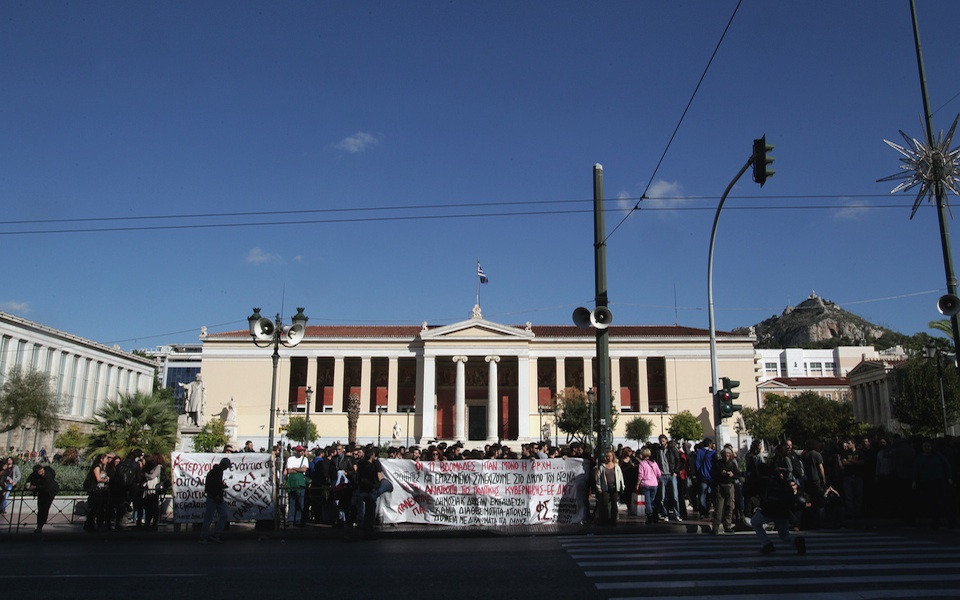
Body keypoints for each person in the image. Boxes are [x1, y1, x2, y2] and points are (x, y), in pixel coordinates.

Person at [751, 476, 810, 554]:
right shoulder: (785, 484)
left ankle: (767, 544)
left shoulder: (766, 482)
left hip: (769, 511)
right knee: (784, 535)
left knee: (755, 522)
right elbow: (792, 500)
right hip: (783, 512)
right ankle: (796, 541)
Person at [354, 446, 393, 539]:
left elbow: (359, 477)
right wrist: (376, 485)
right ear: (373, 455)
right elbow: (379, 477)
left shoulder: (361, 463)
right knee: (371, 513)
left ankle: (364, 531)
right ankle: (369, 531)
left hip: (363, 490)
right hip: (372, 491)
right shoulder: (375, 464)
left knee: (364, 513)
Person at [200, 457, 232, 543]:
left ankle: (206, 536)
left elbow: (212, 485)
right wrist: (216, 494)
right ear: (224, 465)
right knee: (218, 516)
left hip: (214, 496)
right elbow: (213, 485)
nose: (226, 468)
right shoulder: (217, 472)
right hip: (215, 497)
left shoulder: (215, 471)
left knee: (210, 517)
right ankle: (210, 535)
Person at [652, 435, 683, 522]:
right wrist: (658, 472)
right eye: (660, 441)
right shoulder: (657, 451)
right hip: (662, 475)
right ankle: (665, 514)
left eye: (663, 441)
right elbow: (655, 462)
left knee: (675, 496)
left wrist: (676, 471)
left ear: (666, 441)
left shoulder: (672, 450)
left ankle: (677, 514)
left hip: (671, 474)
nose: (662, 442)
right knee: (662, 496)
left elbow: (678, 460)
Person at [711, 446, 740, 534]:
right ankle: (715, 527)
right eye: (725, 454)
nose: (726, 456)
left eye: (728, 454)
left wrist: (732, 474)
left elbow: (737, 474)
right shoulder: (717, 463)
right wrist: (721, 473)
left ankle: (727, 526)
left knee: (730, 507)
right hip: (720, 486)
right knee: (718, 507)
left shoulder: (732, 464)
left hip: (730, 485)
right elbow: (712, 473)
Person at [593, 450, 624, 526]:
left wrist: (622, 486)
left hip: (614, 487)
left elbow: (620, 477)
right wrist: (599, 488)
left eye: (610, 456)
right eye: (607, 456)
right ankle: (605, 520)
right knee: (605, 505)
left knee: (614, 505)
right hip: (605, 488)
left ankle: (613, 521)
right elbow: (599, 478)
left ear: (613, 457)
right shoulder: (602, 467)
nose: (608, 458)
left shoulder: (616, 466)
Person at [26, 463, 58, 533]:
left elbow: (46, 485)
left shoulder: (48, 474)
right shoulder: (35, 475)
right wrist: (28, 484)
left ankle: (41, 524)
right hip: (42, 493)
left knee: (45, 509)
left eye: (42, 471)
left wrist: (35, 487)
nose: (41, 473)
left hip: (49, 493)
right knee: (41, 510)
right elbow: (30, 478)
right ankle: (39, 526)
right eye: (39, 472)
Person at [83, 453, 110, 532]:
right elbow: (98, 478)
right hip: (95, 490)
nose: (107, 460)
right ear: (101, 460)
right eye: (105, 459)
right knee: (94, 508)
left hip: (100, 489)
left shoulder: (103, 467)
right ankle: (89, 524)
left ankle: (95, 524)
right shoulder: (97, 467)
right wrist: (104, 480)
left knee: (99, 508)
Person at [284, 445, 309, 527]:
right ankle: (291, 520)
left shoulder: (304, 459)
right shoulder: (290, 459)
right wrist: (299, 469)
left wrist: (294, 469)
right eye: (299, 451)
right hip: (293, 483)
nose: (301, 452)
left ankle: (298, 520)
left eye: (302, 450)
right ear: (296, 451)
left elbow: (304, 469)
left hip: (300, 483)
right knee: (292, 502)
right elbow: (289, 471)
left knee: (300, 503)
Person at [637, 447, 662, 524]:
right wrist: (656, 479)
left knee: (647, 501)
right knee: (653, 501)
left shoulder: (642, 463)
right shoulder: (654, 463)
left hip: (645, 484)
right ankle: (655, 515)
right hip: (654, 484)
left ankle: (650, 515)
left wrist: (638, 483)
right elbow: (659, 473)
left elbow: (640, 475)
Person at [140, 454, 165, 531]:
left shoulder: (158, 467)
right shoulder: (157, 467)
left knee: (153, 507)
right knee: (150, 506)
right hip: (151, 489)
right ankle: (150, 523)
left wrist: (145, 474)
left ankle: (153, 523)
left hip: (153, 489)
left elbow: (152, 476)